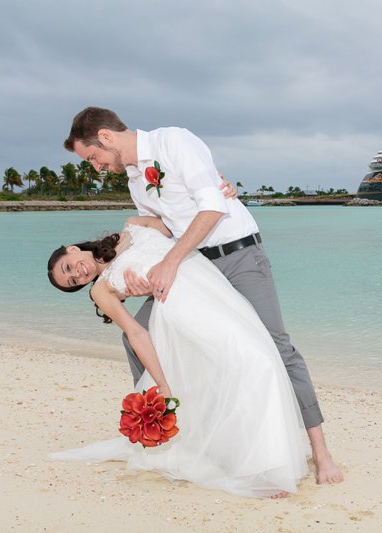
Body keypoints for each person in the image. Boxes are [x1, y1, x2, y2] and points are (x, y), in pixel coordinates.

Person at [63, 107, 343, 484]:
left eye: (93, 157)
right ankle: (171, 428)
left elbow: (211, 208)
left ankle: (321, 452)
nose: (96, 167)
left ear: (107, 137)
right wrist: (135, 275)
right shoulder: (134, 182)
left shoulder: (173, 140)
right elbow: (161, 231)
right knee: (138, 336)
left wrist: (173, 260)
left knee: (277, 348)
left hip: (238, 254)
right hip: (194, 267)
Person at [48, 216, 309, 497]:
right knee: (255, 365)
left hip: (214, 290)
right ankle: (260, 470)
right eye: (73, 281)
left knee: (259, 363)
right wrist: (162, 383)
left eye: (68, 267)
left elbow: (181, 225)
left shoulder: (133, 225)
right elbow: (136, 334)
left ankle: (266, 461)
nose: (78, 273)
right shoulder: (101, 290)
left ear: (71, 250)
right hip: (183, 310)